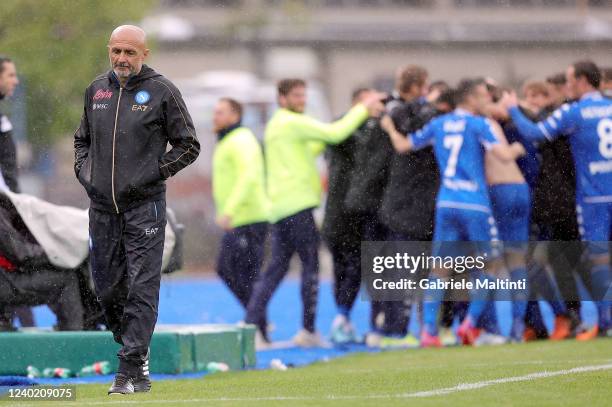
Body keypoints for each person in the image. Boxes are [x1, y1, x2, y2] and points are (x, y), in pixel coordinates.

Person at [73, 25, 200, 395]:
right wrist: (85, 172)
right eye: (116, 51)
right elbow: (82, 139)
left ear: (144, 54)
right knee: (108, 290)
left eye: (130, 52)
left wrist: (153, 173)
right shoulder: (96, 89)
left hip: (145, 207)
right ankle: (135, 355)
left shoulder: (162, 91)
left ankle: (128, 371)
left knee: (143, 286)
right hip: (101, 208)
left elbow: (189, 145)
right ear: (109, 50)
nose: (122, 59)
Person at [381, 78, 525, 347]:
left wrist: (389, 127)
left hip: (446, 203)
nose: (486, 101)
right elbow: (503, 155)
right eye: (483, 96)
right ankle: (470, 324)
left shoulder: (439, 124)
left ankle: (429, 332)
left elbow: (402, 146)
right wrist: (518, 147)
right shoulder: (478, 124)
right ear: (470, 99)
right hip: (474, 204)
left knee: (439, 270)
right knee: (488, 266)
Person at [245, 78, 383, 347]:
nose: (302, 100)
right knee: (310, 268)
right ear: (282, 99)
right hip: (297, 206)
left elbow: (314, 147)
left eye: (303, 95)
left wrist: (333, 134)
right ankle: (308, 330)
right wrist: (363, 108)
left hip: (281, 207)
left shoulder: (279, 124)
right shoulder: (291, 121)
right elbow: (334, 134)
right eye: (296, 96)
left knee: (275, 270)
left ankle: (252, 327)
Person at [500, 60, 612, 340]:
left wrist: (513, 108)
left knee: (598, 260)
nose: (567, 85)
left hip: (595, 198)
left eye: (571, 79)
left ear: (584, 81)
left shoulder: (574, 112)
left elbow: (535, 133)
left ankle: (605, 323)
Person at [212, 98, 268, 314]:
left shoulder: (241, 139)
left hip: (249, 217)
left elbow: (249, 176)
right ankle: (257, 323)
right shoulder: (228, 140)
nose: (215, 116)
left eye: (220, 112)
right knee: (242, 274)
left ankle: (256, 322)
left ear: (235, 115)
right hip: (241, 218)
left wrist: (229, 211)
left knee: (232, 270)